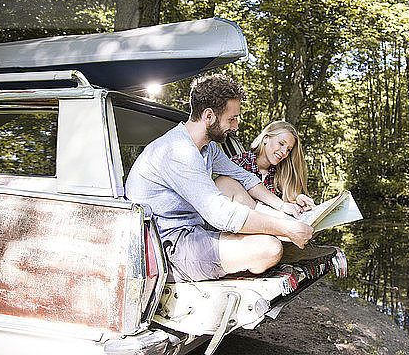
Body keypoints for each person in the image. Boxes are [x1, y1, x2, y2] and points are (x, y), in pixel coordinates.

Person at [125, 74, 313, 282]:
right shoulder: (177, 151)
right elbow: (220, 214)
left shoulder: (208, 148)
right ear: (209, 116)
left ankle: (270, 249)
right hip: (169, 248)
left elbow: (243, 177)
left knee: (228, 183)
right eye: (231, 119)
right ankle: (265, 256)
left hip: (196, 229)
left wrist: (281, 207)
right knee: (269, 248)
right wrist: (285, 228)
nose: (235, 126)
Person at [228, 121, 315, 211]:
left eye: (288, 150)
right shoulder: (239, 163)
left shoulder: (281, 173)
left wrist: (297, 201)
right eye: (281, 144)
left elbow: (284, 204)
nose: (284, 152)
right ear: (266, 138)